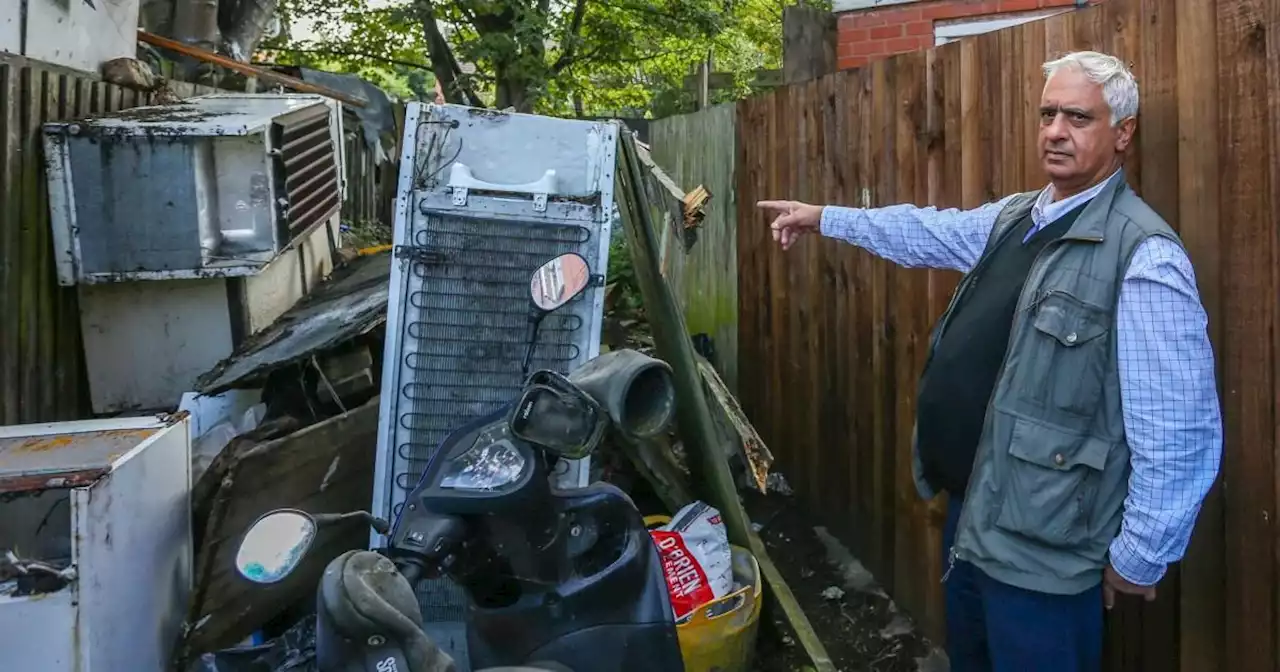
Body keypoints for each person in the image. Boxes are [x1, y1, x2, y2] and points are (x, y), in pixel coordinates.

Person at [758, 50, 1222, 671]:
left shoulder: (1144, 258)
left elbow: (1179, 431)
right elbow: (926, 231)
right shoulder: (1016, 218)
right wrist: (826, 219)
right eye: (1048, 113)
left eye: (1078, 117)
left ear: (1123, 133)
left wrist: (1140, 555)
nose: (1055, 131)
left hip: (1046, 557)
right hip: (973, 520)